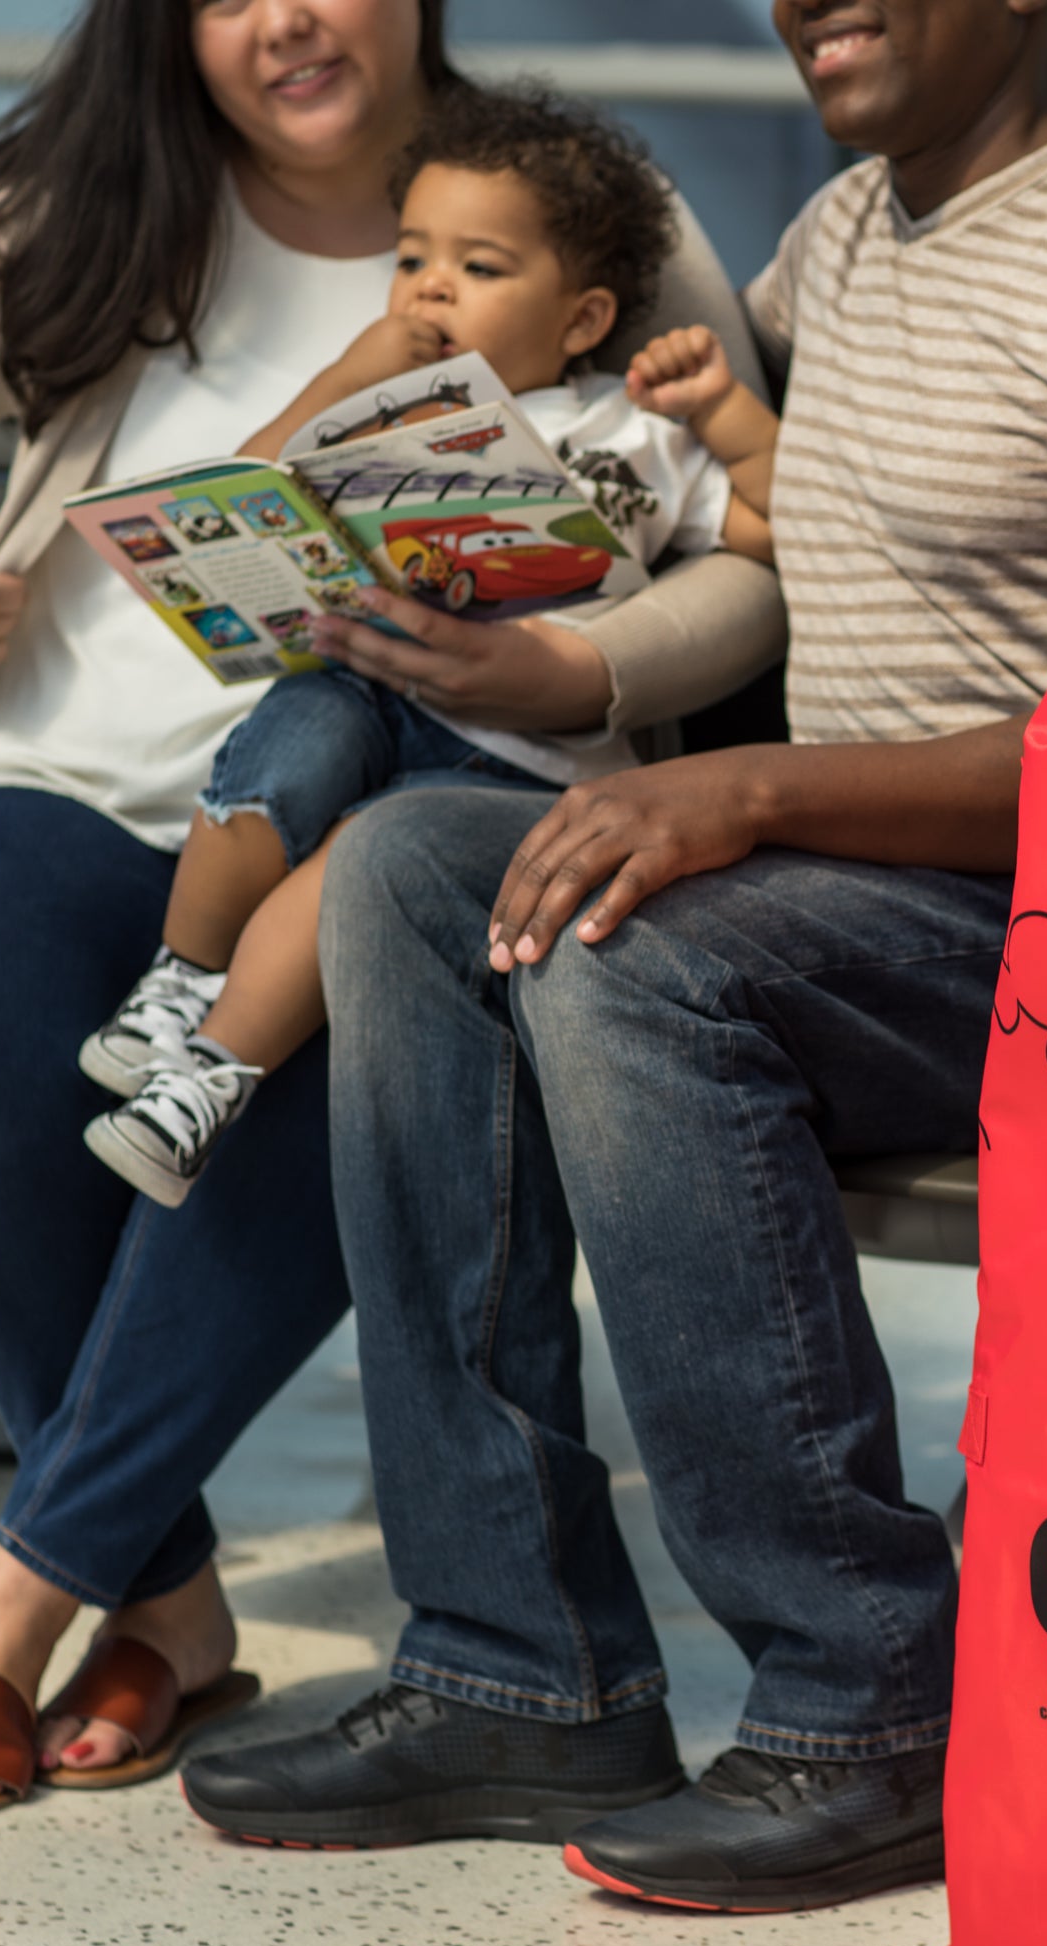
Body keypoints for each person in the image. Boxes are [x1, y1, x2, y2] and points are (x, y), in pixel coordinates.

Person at [183, 0, 1047, 1908]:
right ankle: (520, 1666)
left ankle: (867, 1702)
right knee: (411, 868)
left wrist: (753, 790)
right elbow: (668, 430)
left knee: (633, 953)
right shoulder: (847, 232)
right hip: (849, 884)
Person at [0, 0, 782, 1814]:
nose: (284, 19)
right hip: (59, 769)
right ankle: (166, 1599)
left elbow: (748, 563)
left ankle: (18, 1604)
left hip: (427, 788)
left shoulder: (591, 206)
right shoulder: (77, 191)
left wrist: (572, 668)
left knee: (351, 993)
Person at [80, 84, 782, 1211]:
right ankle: (178, 981)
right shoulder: (374, 414)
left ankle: (208, 1079)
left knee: (352, 860)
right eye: (411, 259)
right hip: (370, 690)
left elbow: (776, 526)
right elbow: (239, 496)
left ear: (583, 320)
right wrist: (346, 382)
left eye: (480, 266)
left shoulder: (633, 433)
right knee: (286, 744)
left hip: (519, 761)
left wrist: (725, 412)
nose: (431, 287)